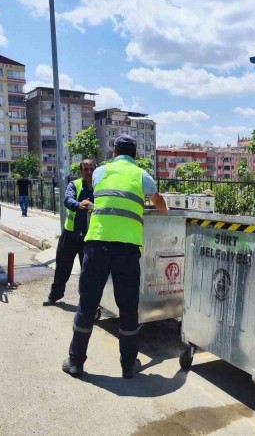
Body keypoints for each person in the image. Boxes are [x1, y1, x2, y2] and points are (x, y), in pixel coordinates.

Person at [62, 134, 168, 379]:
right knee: (128, 308)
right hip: (127, 249)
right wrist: (163, 207)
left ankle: (76, 362)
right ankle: (128, 365)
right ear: (135, 156)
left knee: (87, 303)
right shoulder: (143, 176)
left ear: (113, 153)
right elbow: (159, 203)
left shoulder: (100, 172)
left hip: (97, 244)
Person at [43, 159, 95, 306]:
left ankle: (86, 301)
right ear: (81, 170)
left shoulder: (99, 187)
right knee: (62, 267)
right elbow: (67, 200)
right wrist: (79, 204)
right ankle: (54, 296)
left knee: (87, 271)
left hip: (89, 237)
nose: (89, 172)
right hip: (71, 234)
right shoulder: (75, 184)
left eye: (91, 169)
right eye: (86, 169)